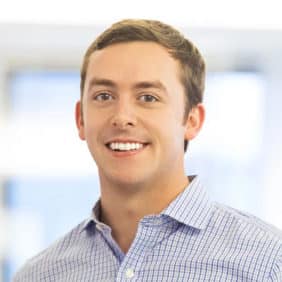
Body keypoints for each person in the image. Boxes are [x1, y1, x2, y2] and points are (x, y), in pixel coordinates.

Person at [14, 19, 282, 281]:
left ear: (192, 120)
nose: (122, 117)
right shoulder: (38, 275)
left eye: (148, 98)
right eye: (104, 96)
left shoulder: (269, 262)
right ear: (80, 119)